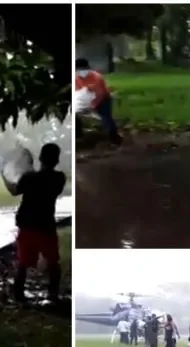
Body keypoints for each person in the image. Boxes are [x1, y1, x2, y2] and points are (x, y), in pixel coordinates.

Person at [11, 143, 66, 302]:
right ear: (56, 161)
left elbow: (14, 190)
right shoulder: (59, 178)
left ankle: (18, 295)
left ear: (40, 158)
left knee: (23, 263)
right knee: (53, 262)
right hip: (46, 226)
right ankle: (53, 294)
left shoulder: (29, 178)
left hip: (27, 226)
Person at [74, 58, 122, 145]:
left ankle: (114, 137)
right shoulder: (76, 78)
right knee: (75, 115)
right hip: (88, 99)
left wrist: (93, 106)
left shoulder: (96, 77)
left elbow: (100, 93)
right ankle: (78, 135)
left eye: (83, 69)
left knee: (106, 117)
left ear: (88, 68)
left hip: (103, 98)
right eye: (79, 70)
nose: (81, 72)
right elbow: (78, 92)